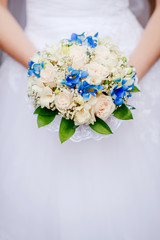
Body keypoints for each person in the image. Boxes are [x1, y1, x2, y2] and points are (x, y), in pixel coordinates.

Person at [0, 0, 160, 240]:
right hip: (31, 59)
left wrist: (123, 80)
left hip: (132, 62)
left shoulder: (126, 76)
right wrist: (46, 75)